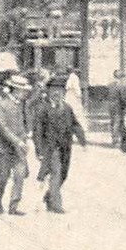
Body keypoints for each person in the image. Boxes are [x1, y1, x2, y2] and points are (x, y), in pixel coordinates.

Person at [33, 78, 88, 213]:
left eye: (60, 90)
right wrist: (39, 150)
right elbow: (37, 131)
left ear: (64, 92)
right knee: (56, 173)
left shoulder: (67, 108)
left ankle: (49, 196)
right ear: (48, 91)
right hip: (50, 149)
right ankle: (56, 204)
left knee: (63, 175)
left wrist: (82, 140)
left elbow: (75, 124)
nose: (57, 93)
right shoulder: (42, 109)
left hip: (65, 148)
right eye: (53, 90)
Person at [0, 76, 32, 215]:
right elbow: (3, 129)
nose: (25, 93)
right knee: (3, 177)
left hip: (19, 149)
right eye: (22, 91)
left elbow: (25, 122)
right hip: (4, 149)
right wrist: (18, 141)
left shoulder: (23, 105)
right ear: (14, 90)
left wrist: (28, 134)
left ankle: (13, 206)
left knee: (20, 176)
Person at [107, 69, 126, 150]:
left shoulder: (110, 85)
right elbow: (123, 98)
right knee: (117, 122)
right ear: (121, 77)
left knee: (112, 122)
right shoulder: (121, 86)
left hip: (110, 105)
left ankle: (113, 138)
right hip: (118, 106)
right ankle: (115, 140)